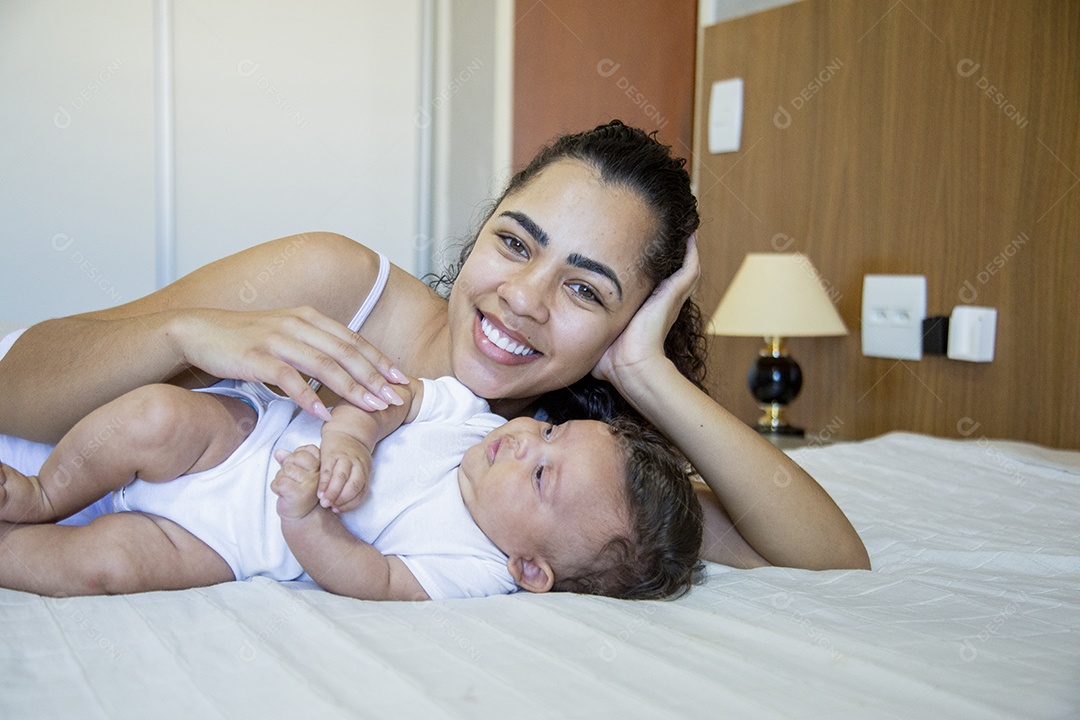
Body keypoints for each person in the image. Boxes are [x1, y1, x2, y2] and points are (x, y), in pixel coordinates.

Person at [0, 120, 870, 573]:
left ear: (627, 322)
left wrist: (646, 371)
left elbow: (830, 558)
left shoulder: (559, 472)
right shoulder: (337, 282)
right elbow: (17, 385)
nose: (522, 298)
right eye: (515, 242)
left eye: (586, 290)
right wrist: (187, 333)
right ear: (480, 230)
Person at [0, 373, 704, 601]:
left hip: (228, 543)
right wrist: (352, 439)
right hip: (243, 440)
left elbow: (375, 578)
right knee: (154, 417)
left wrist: (309, 523)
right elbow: (390, 395)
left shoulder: (476, 570)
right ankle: (41, 494)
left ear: (531, 568)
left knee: (108, 567)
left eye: (543, 474)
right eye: (551, 431)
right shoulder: (471, 416)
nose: (525, 442)